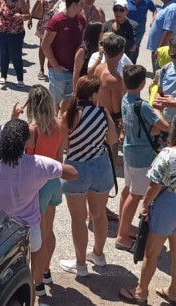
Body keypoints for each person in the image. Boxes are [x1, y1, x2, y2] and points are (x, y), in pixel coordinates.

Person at [119, 113, 176, 306]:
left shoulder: (168, 154)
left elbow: (155, 186)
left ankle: (140, 292)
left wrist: (145, 205)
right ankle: (173, 292)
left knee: (152, 252)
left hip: (167, 203)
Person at [0, 119, 78, 296]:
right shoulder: (37, 164)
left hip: (3, 232)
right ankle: (38, 285)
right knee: (36, 259)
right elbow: (72, 172)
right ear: (25, 141)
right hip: (30, 229)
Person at [59, 76, 118, 277]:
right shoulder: (102, 113)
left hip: (77, 169)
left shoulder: (70, 114)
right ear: (93, 94)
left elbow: (65, 145)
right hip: (101, 167)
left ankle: (81, 264)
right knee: (98, 214)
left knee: (78, 219)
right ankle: (98, 255)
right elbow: (112, 139)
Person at [11, 85, 65, 293]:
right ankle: (46, 271)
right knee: (49, 230)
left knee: (38, 235)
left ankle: (38, 283)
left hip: (38, 184)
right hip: (53, 182)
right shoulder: (60, 125)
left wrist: (14, 119)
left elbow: (27, 159)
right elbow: (60, 158)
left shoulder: (32, 130)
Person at [116, 65, 169, 251]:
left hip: (129, 150)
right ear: (142, 83)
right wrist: (160, 112)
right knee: (136, 195)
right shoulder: (143, 105)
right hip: (142, 155)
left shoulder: (125, 99)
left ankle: (124, 227)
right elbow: (164, 126)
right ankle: (122, 237)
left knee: (129, 190)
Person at [41, 0, 86, 108]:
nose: (83, 7)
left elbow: (82, 42)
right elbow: (45, 45)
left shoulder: (81, 20)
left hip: (74, 69)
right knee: (54, 101)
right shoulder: (57, 21)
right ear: (74, 5)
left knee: (69, 101)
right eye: (81, 4)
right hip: (58, 71)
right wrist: (55, 65)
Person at [92, 34, 126, 164]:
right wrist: (122, 125)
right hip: (110, 119)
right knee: (110, 154)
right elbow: (116, 107)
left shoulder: (99, 68)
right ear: (121, 53)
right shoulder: (114, 78)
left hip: (97, 112)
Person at [30, 0, 66, 80]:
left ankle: (54, 69)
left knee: (57, 47)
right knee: (43, 47)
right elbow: (37, 5)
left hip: (59, 25)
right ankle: (41, 69)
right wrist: (31, 18)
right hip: (45, 24)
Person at [147, 0, 176, 72]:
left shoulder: (172, 9)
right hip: (159, 49)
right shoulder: (166, 5)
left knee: (161, 76)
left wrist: (160, 50)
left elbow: (168, 31)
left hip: (164, 51)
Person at [126, 0, 156, 64]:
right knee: (127, 46)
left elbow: (154, 10)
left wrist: (153, 20)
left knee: (135, 46)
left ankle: (133, 64)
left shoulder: (147, 0)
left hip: (140, 29)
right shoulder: (127, 0)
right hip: (128, 27)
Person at [73, 22, 103, 88]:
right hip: (85, 85)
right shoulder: (83, 50)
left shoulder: (101, 47)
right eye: (102, 31)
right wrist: (75, 90)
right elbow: (76, 72)